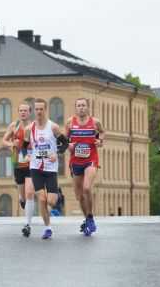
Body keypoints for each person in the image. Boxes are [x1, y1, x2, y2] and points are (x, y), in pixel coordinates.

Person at [23, 98, 69, 239]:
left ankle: (57, 195)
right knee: (42, 199)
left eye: (41, 109)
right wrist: (28, 155)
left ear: (45, 110)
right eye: (36, 109)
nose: (38, 112)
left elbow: (65, 143)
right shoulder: (29, 129)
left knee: (51, 201)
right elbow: (24, 146)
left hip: (50, 169)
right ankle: (48, 228)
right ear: (34, 111)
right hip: (36, 168)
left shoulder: (53, 127)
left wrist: (57, 153)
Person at [65, 98, 104, 236]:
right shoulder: (70, 123)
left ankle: (90, 217)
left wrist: (100, 141)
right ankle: (86, 217)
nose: (81, 108)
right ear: (75, 108)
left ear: (88, 107)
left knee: (87, 187)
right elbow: (65, 140)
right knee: (79, 195)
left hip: (91, 160)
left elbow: (102, 133)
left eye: (83, 105)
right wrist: (68, 145)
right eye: (79, 105)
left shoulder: (95, 122)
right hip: (75, 161)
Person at [2, 103, 35, 236]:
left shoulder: (34, 126)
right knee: (23, 195)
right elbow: (3, 140)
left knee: (30, 193)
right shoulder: (13, 126)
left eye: (25, 111)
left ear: (29, 112)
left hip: (31, 163)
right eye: (20, 110)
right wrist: (12, 143)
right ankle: (22, 199)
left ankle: (28, 224)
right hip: (18, 163)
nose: (23, 113)